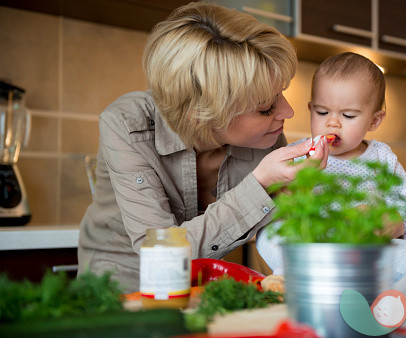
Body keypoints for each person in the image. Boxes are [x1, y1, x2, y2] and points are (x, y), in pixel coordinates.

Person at [77, 2, 330, 293]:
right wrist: (261, 184)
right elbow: (160, 255)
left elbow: (287, 231)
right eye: (266, 108)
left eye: (280, 95)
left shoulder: (266, 137)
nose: (288, 112)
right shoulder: (126, 125)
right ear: (203, 114)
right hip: (121, 289)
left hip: (206, 288)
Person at [257, 52, 406, 275]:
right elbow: (283, 204)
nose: (332, 123)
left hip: (366, 249)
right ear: (311, 110)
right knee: (269, 233)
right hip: (313, 243)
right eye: (322, 112)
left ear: (374, 120)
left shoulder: (382, 157)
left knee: (395, 234)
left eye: (348, 116)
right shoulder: (299, 153)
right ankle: (297, 271)